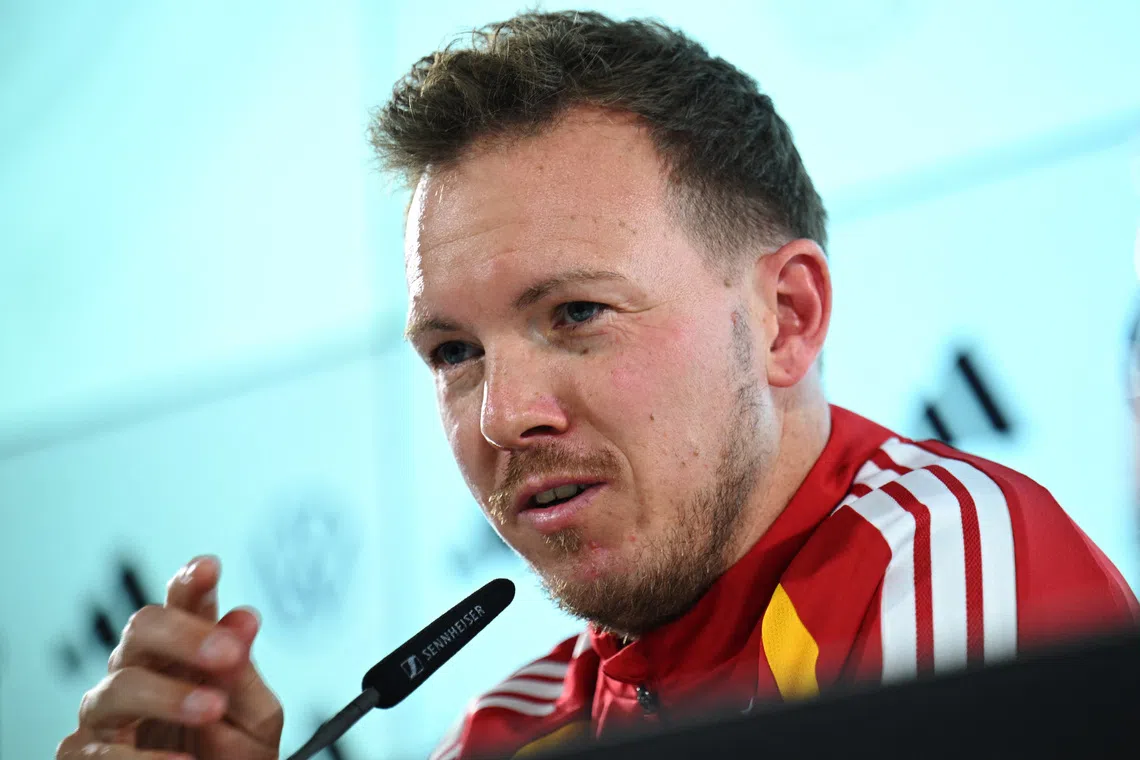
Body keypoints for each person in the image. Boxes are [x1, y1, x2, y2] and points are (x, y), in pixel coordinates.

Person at [57, 11, 1139, 760]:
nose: (500, 413)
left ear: (786, 318)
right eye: (452, 352)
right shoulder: (503, 725)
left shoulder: (948, 558)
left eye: (576, 314)